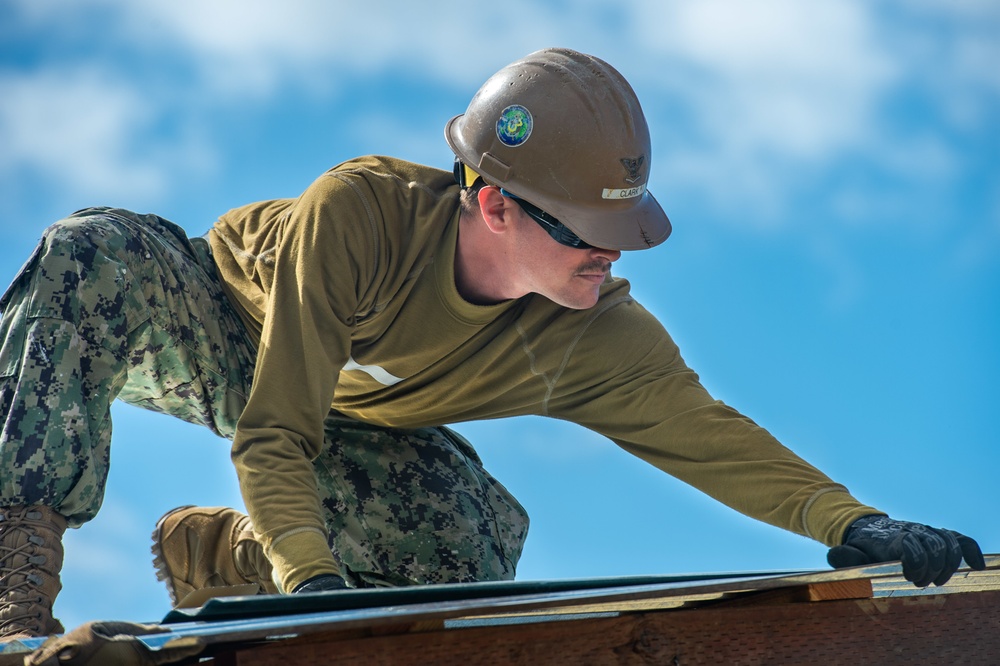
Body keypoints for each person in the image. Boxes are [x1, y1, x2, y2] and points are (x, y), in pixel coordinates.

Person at [0, 48, 984, 640]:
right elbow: (272, 432)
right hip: (217, 326)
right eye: (579, 229)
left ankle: (225, 555)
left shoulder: (592, 331)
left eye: (619, 230)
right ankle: (18, 567)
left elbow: (702, 430)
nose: (606, 254)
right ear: (492, 204)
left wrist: (853, 527)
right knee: (94, 253)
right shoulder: (363, 216)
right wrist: (318, 587)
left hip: (349, 415)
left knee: (465, 535)